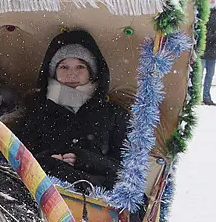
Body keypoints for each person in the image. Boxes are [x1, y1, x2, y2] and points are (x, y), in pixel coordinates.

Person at [9, 29, 129, 189]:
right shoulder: (37, 112)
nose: (72, 74)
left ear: (91, 73)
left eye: (80, 67)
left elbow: (127, 172)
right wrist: (48, 161)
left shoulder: (114, 115)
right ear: (53, 72)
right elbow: (19, 160)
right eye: (64, 67)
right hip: (44, 195)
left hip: (98, 202)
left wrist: (85, 160)